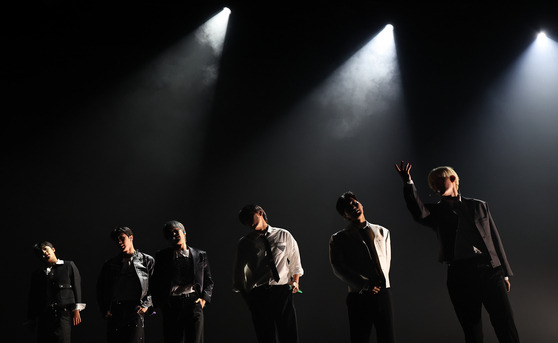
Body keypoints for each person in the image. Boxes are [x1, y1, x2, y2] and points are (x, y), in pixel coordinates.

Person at [395, 161, 519, 343]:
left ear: (452, 179)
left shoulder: (479, 205)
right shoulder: (435, 212)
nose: (435, 186)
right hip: (460, 274)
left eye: (439, 181)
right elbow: (418, 212)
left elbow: (494, 238)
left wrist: (505, 273)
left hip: (490, 270)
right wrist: (408, 183)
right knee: (472, 329)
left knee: (505, 323)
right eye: (432, 184)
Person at [329, 191, 395, 343]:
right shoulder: (339, 238)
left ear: (361, 204)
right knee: (360, 338)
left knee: (388, 338)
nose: (353, 206)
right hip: (359, 296)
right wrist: (364, 284)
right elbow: (338, 267)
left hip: (383, 294)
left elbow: (386, 261)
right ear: (345, 215)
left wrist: (382, 284)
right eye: (348, 207)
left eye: (354, 202)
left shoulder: (382, 231)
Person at [233, 204, 304, 343]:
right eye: (244, 222)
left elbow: (295, 262)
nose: (248, 223)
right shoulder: (245, 243)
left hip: (282, 291)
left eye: (249, 218)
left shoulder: (283, 234)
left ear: (260, 213)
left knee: (289, 334)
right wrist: (250, 302)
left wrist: (295, 281)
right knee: (266, 337)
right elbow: (238, 276)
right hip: (259, 294)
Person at [152, 220, 214, 343]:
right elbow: (156, 281)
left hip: (193, 302)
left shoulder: (200, 254)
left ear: (184, 231)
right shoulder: (162, 256)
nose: (173, 236)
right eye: (169, 235)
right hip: (172, 304)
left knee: (195, 339)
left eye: (175, 232)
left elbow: (208, 281)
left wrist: (204, 299)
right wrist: (161, 304)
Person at [96, 226, 155, 343]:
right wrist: (105, 308)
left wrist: (147, 304)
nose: (119, 242)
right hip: (116, 309)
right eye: (117, 240)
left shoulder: (147, 260)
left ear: (131, 238)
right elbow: (101, 287)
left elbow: (155, 285)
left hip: (135, 309)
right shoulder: (111, 264)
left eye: (122, 239)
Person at [26, 241, 85, 343]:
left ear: (53, 249)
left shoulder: (68, 266)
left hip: (62, 314)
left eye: (46, 249)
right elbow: (33, 296)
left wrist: (76, 310)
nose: (44, 253)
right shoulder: (38, 273)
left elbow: (76, 286)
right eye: (41, 252)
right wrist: (31, 318)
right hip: (44, 316)